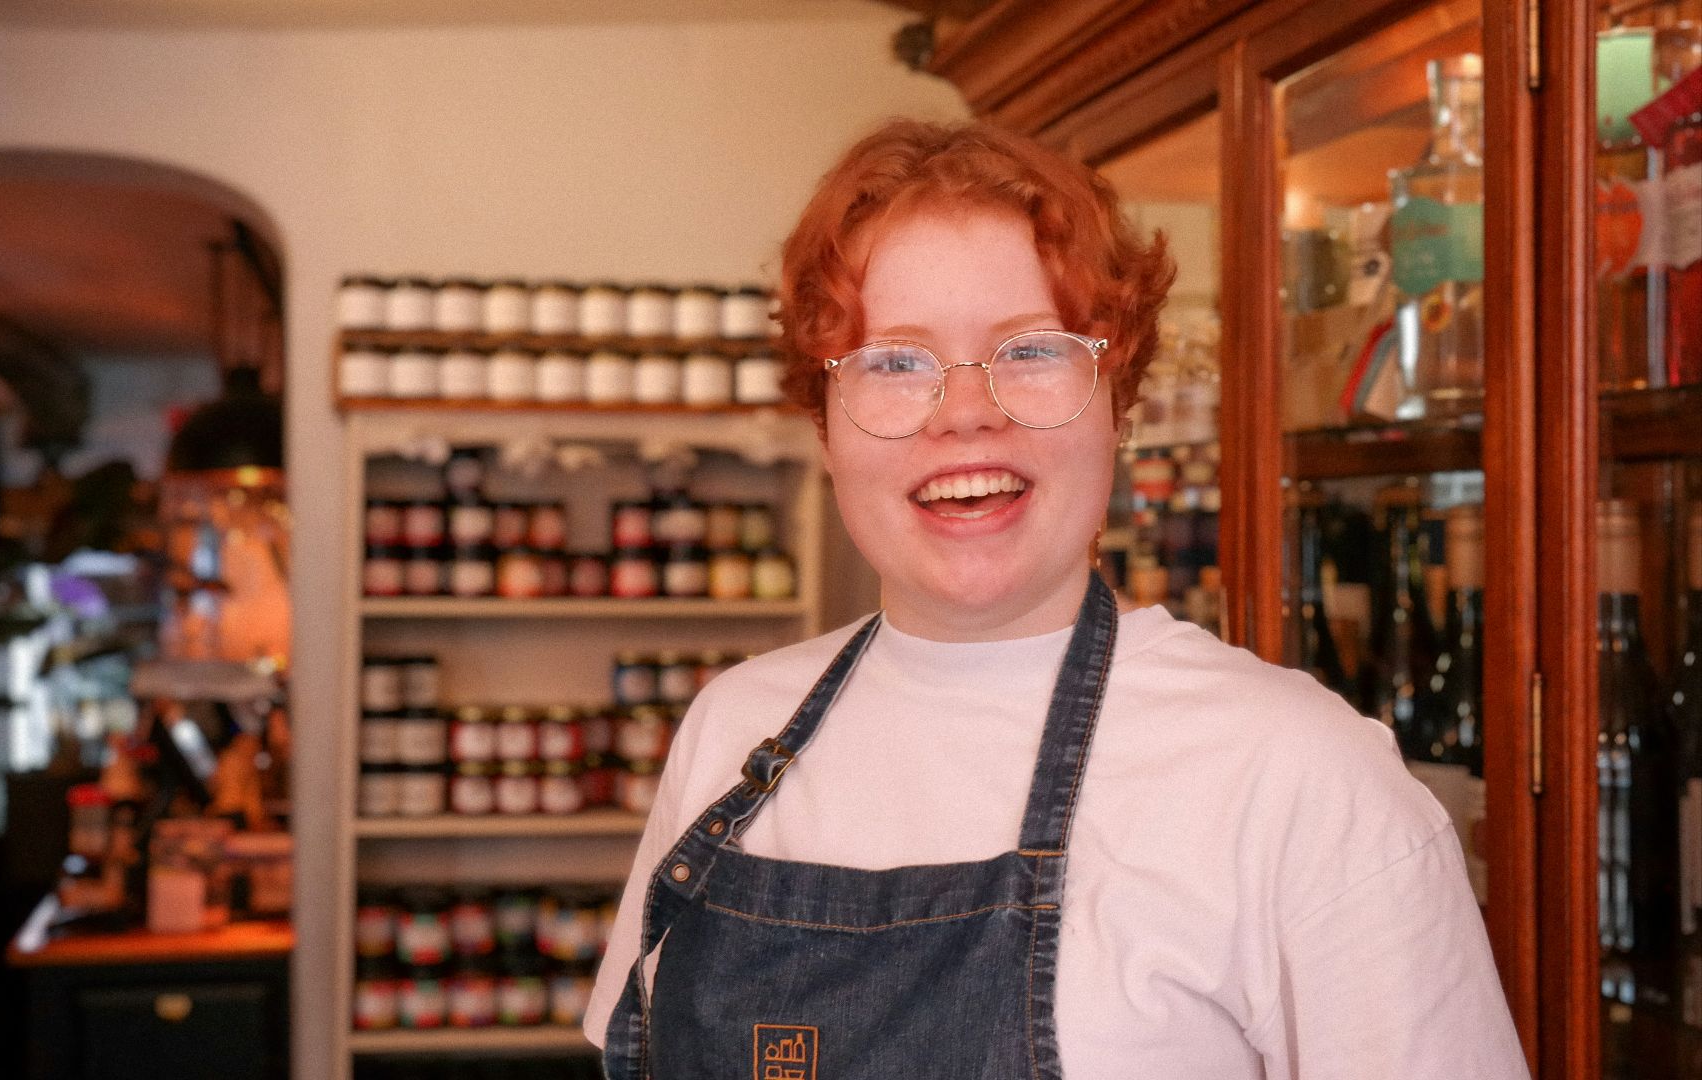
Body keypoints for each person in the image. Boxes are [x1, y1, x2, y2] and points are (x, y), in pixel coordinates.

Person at [583, 119, 1527, 1080]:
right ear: (825, 430)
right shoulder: (734, 728)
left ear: (1121, 400)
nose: (965, 413)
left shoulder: (1300, 781)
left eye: (1030, 350)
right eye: (895, 362)